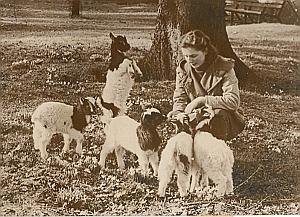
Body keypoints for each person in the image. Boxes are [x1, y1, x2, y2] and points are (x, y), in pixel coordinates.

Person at [168, 29, 245, 141]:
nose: (190, 60)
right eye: (186, 56)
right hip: (194, 116)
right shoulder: (183, 69)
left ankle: (217, 153)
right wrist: (179, 113)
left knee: (218, 115)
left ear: (205, 51)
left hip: (221, 118)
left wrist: (202, 101)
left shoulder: (223, 67)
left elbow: (233, 101)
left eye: (194, 56)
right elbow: (180, 98)